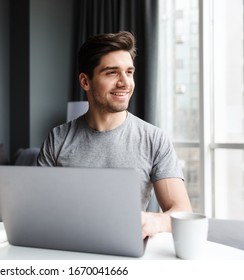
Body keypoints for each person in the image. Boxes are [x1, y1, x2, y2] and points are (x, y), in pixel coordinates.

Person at [37, 31, 192, 239]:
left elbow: (181, 212)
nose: (125, 82)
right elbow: (38, 209)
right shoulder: (57, 139)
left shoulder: (154, 139)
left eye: (129, 72)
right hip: (69, 247)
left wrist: (153, 221)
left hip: (126, 253)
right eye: (112, 73)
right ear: (85, 82)